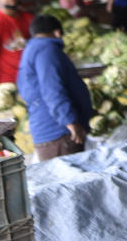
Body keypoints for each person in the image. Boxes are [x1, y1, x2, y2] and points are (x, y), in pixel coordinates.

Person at [17, 14, 93, 159]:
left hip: (50, 131)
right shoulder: (47, 50)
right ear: (58, 32)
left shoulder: (32, 49)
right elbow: (52, 89)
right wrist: (69, 121)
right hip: (58, 132)